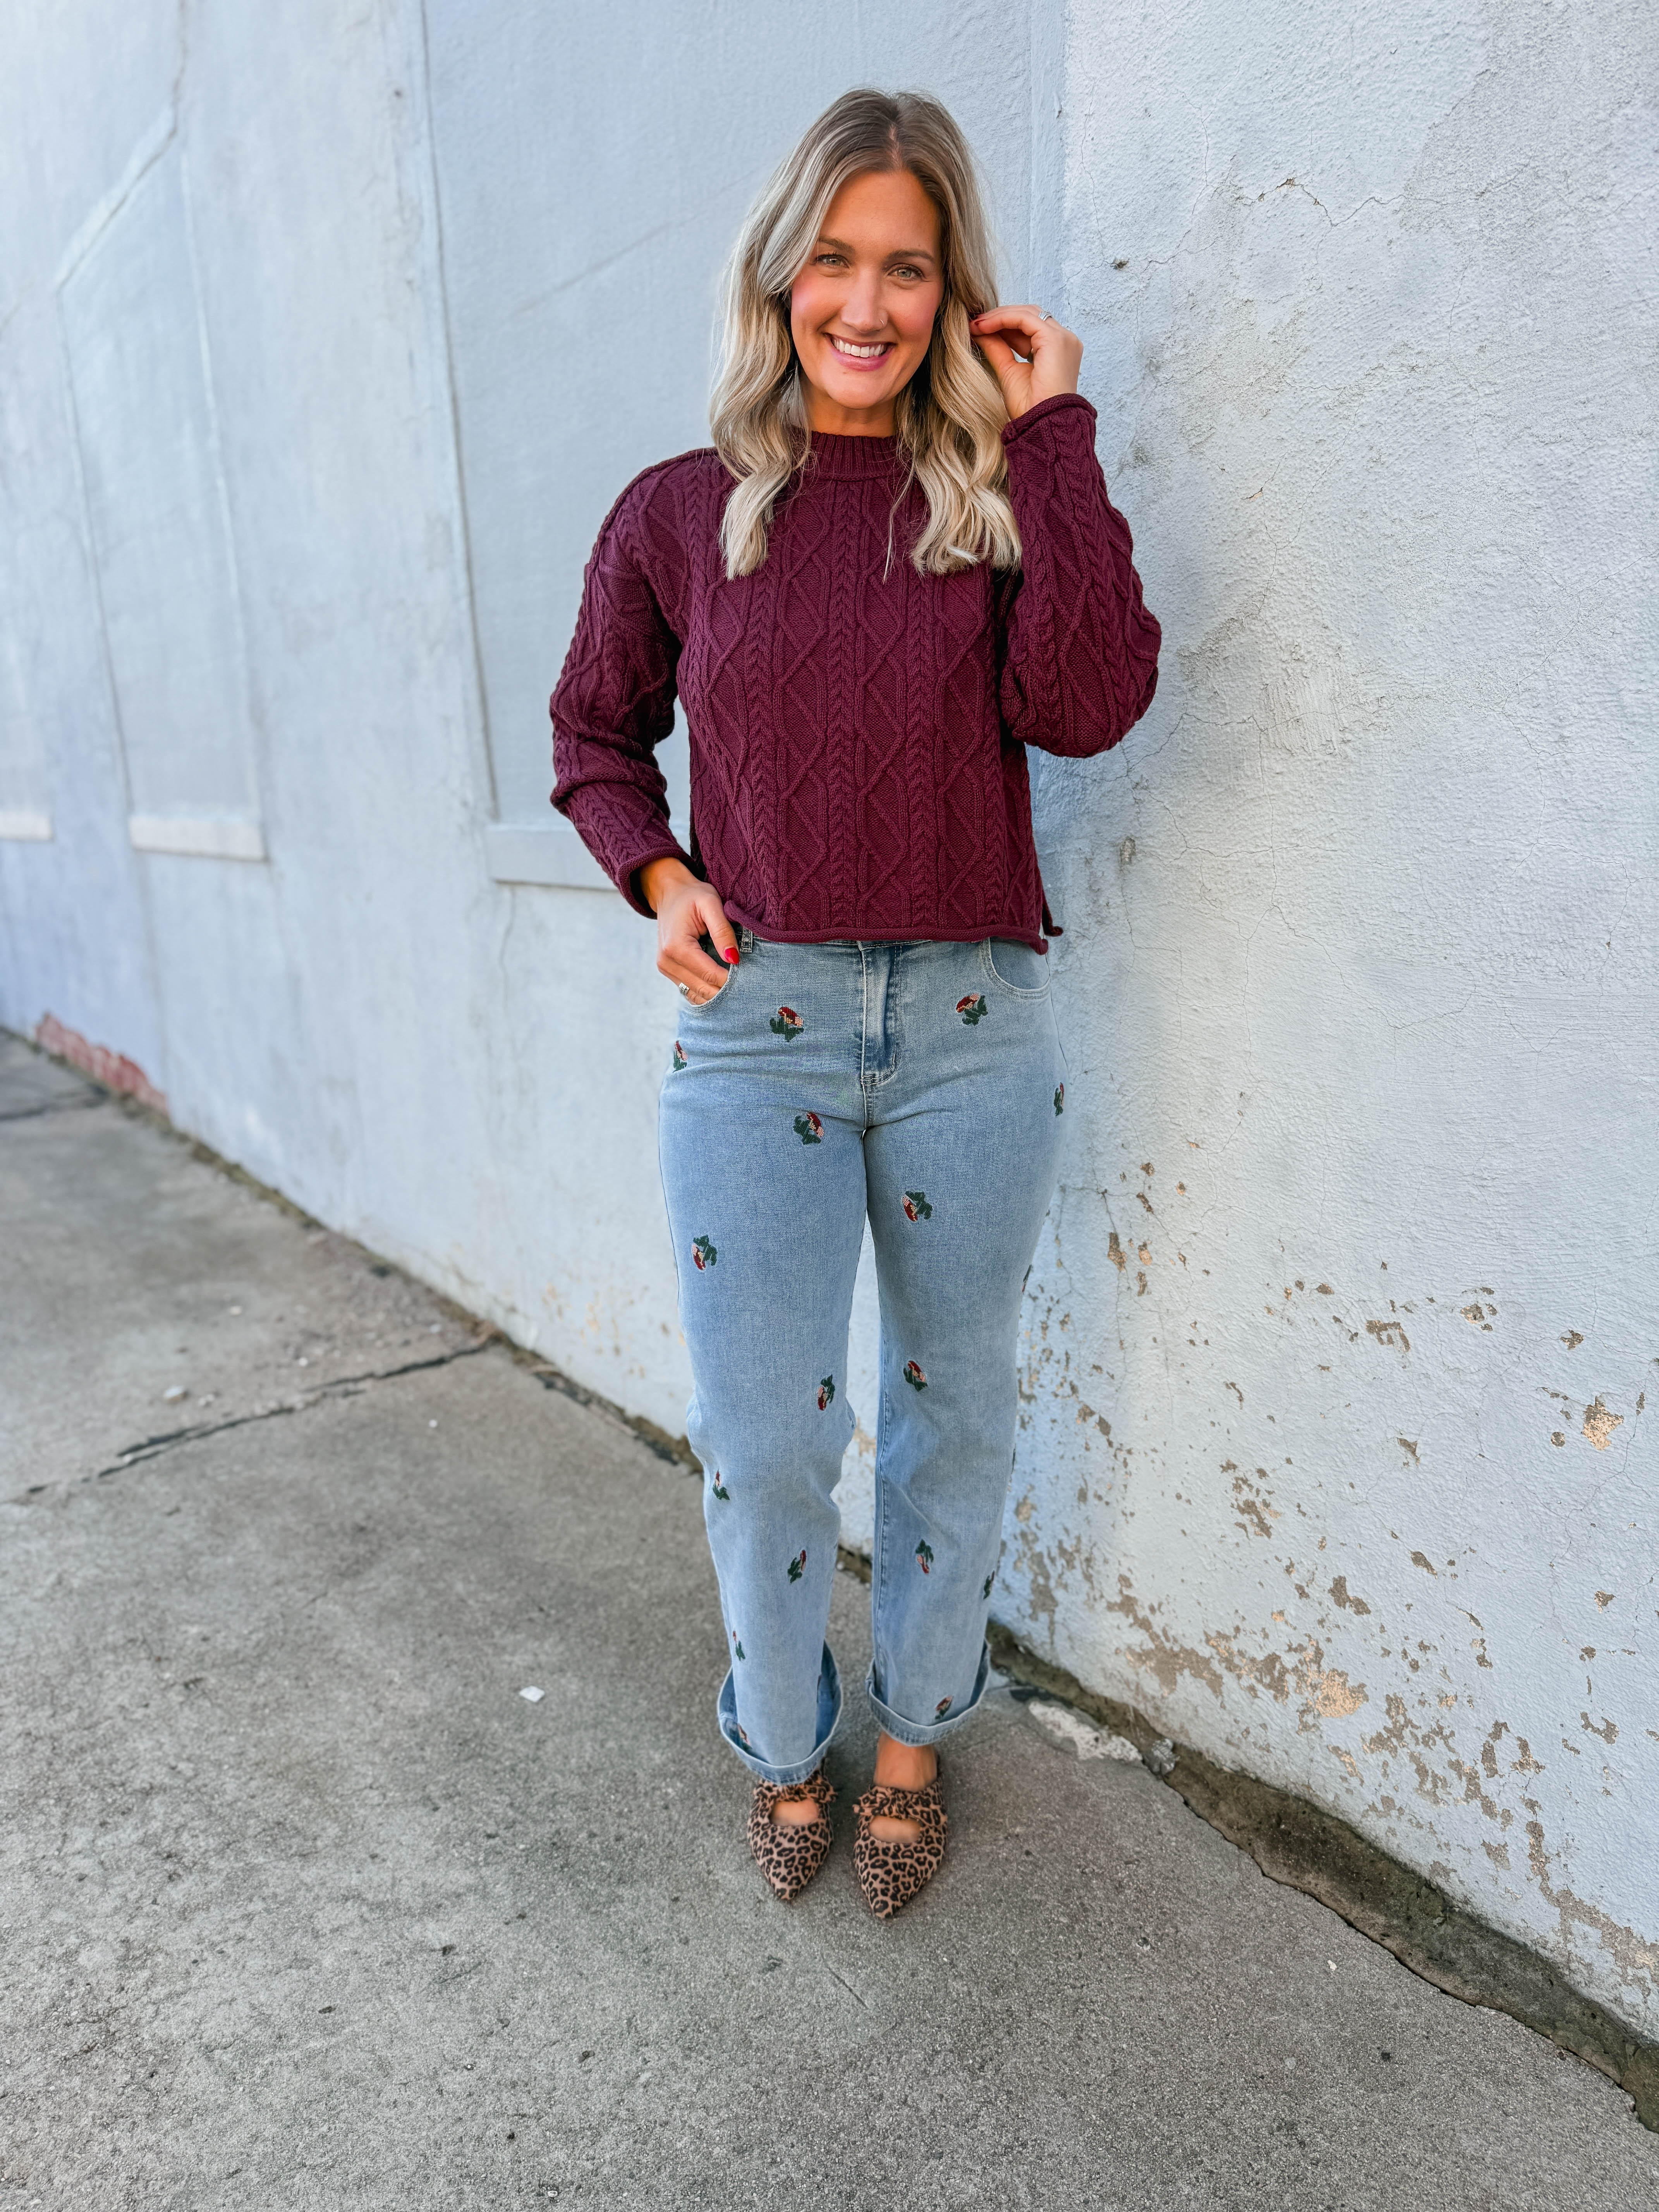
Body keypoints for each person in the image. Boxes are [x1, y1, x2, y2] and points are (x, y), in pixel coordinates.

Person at [551, 87, 1159, 1917]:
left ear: (955, 291)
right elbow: (592, 739)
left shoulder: (992, 497)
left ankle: (913, 1743)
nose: (870, 304)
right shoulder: (678, 515)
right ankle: (779, 1735)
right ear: (779, 276)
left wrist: (1051, 430)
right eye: (836, 260)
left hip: (976, 1030)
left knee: (952, 1415)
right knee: (766, 1438)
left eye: (910, 267)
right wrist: (659, 881)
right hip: (760, 1036)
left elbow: (1090, 702)